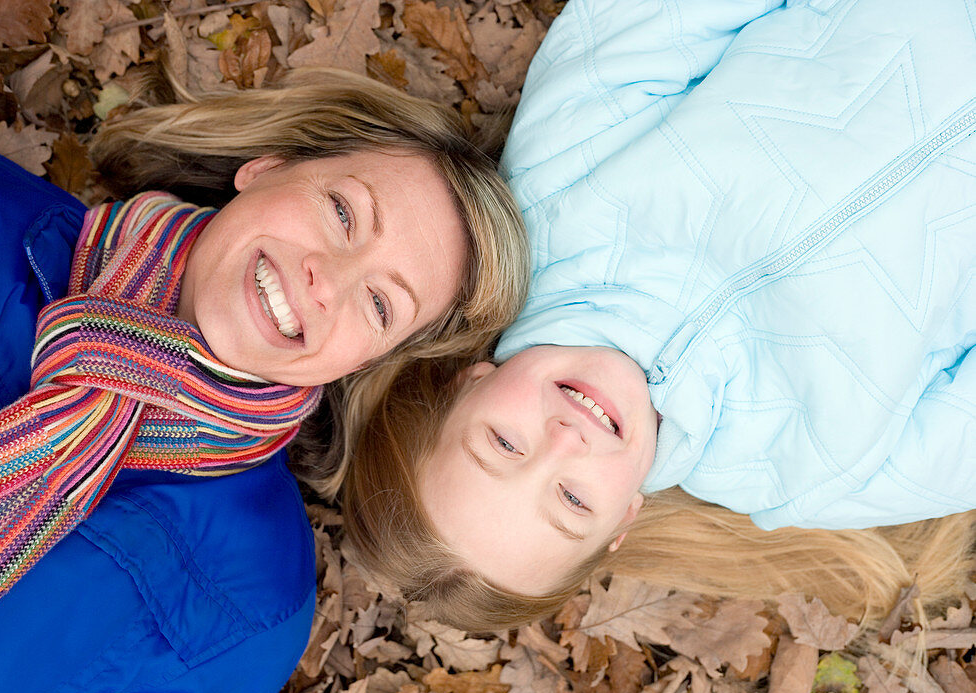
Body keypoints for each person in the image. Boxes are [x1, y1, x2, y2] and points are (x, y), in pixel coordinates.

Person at [0, 68, 528, 693]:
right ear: (267, 168)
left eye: (381, 303)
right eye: (342, 212)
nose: (326, 280)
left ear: (367, 360)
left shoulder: (248, 601)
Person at [339, 0, 976, 632]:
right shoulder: (802, 473)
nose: (564, 440)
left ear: (467, 383)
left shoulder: (549, 197)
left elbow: (659, 18)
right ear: (623, 522)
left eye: (504, 443)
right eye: (572, 499)